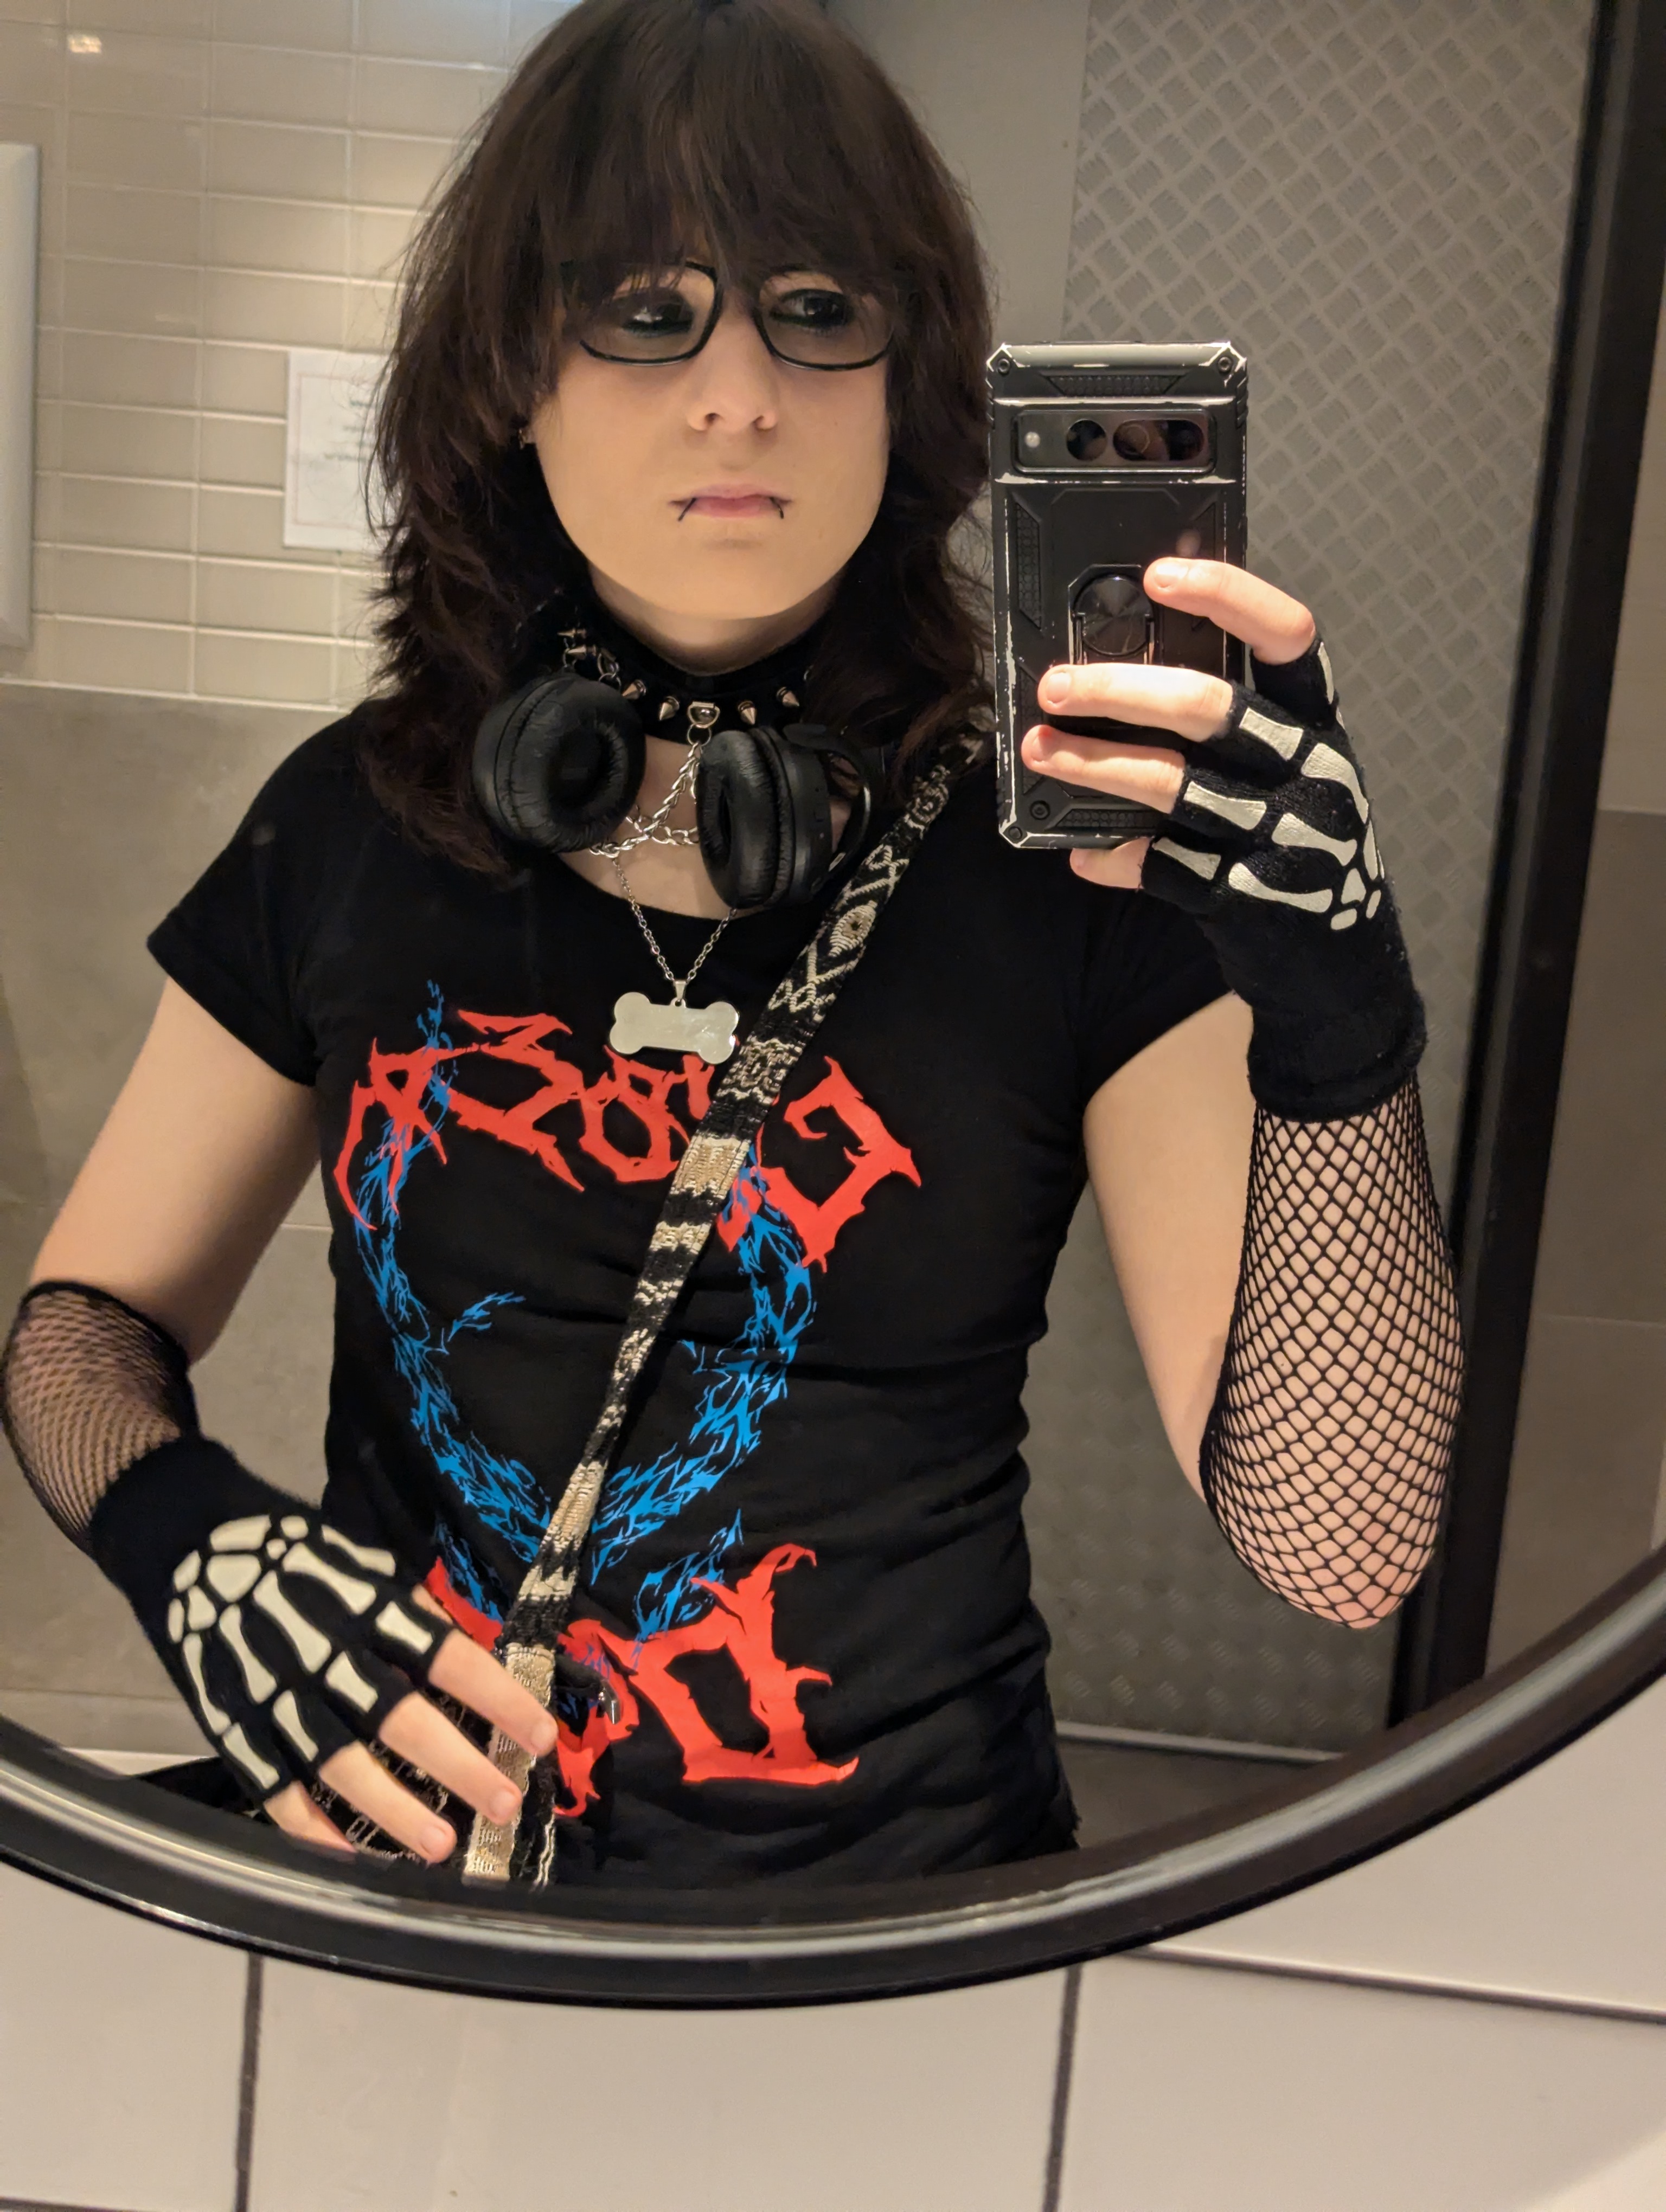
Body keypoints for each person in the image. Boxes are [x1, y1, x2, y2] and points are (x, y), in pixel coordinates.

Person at [0, 0, 1462, 1888]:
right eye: (644, 309)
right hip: (414, 1891)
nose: (739, 394)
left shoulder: (1076, 864)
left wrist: (1339, 1016)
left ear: (905, 382)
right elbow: (80, 1335)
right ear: (512, 373)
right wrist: (192, 1541)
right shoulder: (356, 818)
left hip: (907, 1928)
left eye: (818, 309)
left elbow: (1345, 1549)